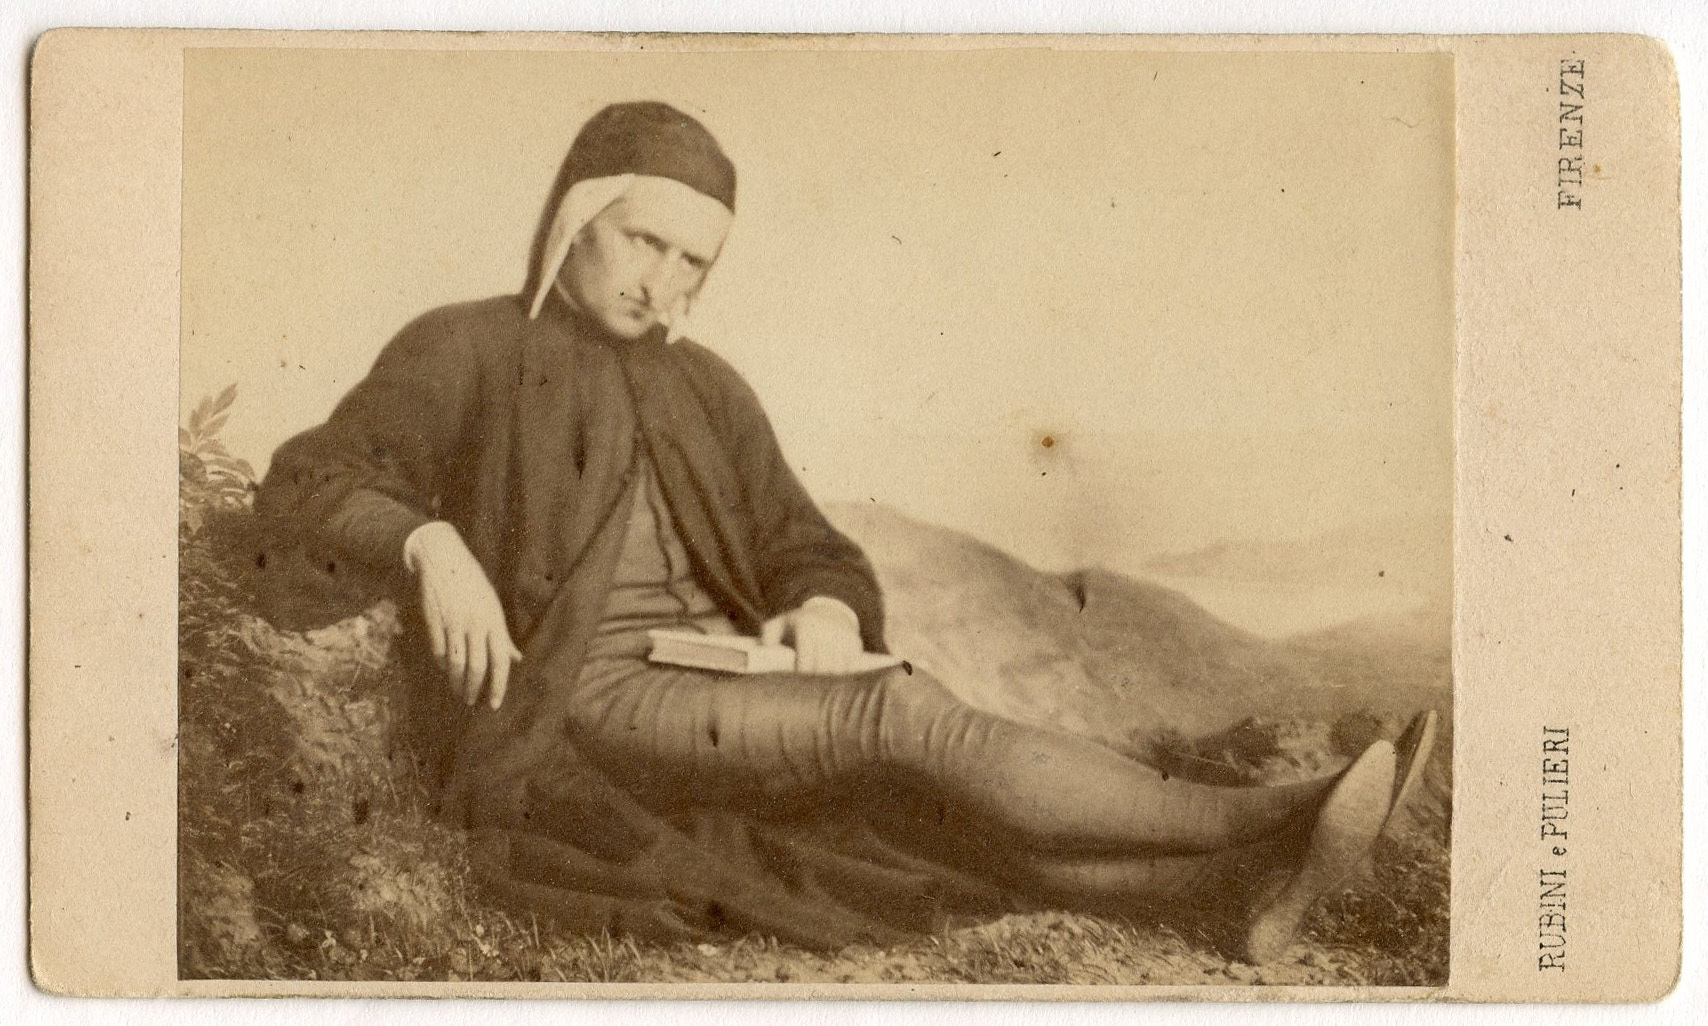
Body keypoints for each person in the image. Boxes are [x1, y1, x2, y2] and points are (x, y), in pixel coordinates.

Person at [257, 101, 1437, 965]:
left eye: (692, 261)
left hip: (714, 683)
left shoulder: (705, 385)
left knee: (927, 814)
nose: (663, 282)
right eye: (643, 242)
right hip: (578, 702)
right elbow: (310, 480)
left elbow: (802, 543)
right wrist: (431, 545)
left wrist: (823, 606)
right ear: (576, 217)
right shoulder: (459, 347)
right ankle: (1265, 811)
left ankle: (1239, 892)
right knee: (897, 712)